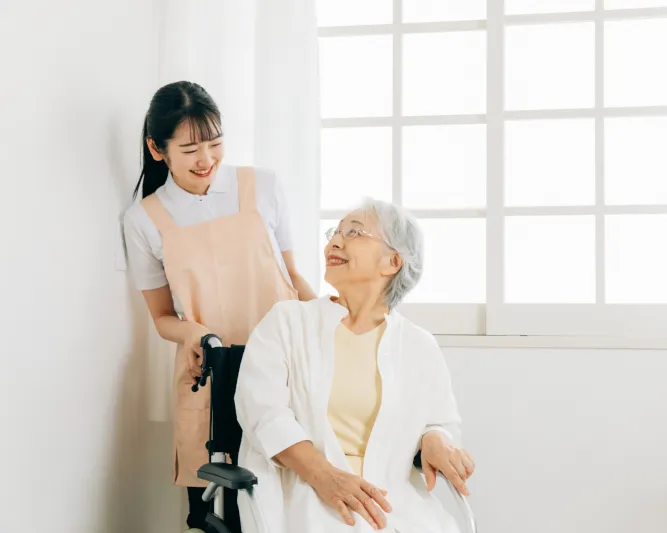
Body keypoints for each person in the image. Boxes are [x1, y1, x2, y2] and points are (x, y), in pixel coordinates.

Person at [123, 81, 315, 533]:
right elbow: (162, 318)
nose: (206, 159)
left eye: (214, 143)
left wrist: (333, 324)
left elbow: (294, 279)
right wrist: (191, 333)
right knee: (219, 510)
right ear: (157, 148)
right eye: (190, 148)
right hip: (210, 371)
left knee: (292, 494)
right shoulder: (144, 219)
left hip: (283, 364)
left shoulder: (261, 186)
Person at [234, 199, 475, 533]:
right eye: (335, 232)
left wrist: (434, 438)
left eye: (355, 232)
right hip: (307, 492)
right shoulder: (287, 322)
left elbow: (441, 421)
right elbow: (263, 413)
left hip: (394, 501)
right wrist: (326, 477)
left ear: (392, 261)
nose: (334, 241)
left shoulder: (419, 345)